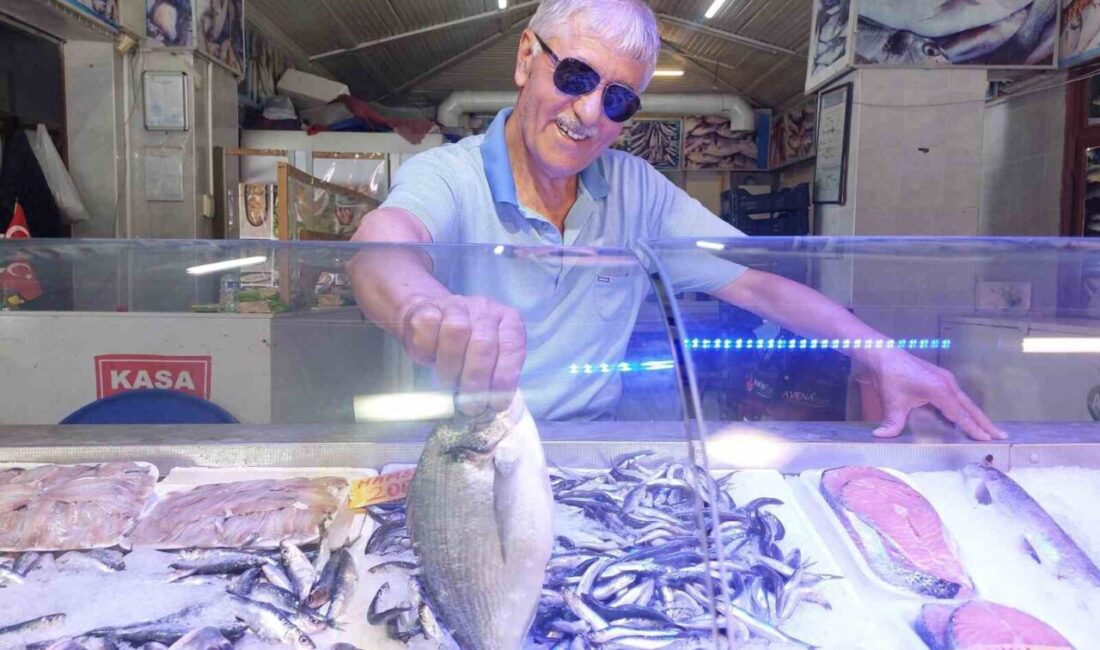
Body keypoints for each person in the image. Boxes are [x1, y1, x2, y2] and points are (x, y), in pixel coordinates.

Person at [349, 0, 1004, 441]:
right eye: (575, 76)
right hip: (466, 448)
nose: (589, 114)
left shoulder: (638, 191)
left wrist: (880, 353)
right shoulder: (451, 174)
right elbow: (383, 244)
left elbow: (759, 285)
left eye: (618, 99)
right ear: (526, 58)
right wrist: (426, 308)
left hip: (592, 451)